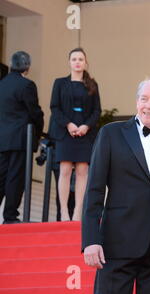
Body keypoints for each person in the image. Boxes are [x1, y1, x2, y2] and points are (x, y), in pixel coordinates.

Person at [82, 78, 150, 294]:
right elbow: (94, 189)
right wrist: (90, 240)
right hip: (116, 245)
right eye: (144, 99)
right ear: (137, 102)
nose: (149, 105)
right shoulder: (111, 133)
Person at [49, 48, 101, 221]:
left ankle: (78, 212)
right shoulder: (59, 83)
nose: (77, 62)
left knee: (82, 171)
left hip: (85, 134)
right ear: (69, 62)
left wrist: (86, 126)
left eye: (80, 59)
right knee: (64, 170)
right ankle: (64, 212)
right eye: (74, 59)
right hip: (65, 133)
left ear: (85, 62)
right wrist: (68, 124)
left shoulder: (92, 84)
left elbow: (96, 110)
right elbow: (54, 108)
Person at [0, 51, 44, 224]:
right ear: (27, 67)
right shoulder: (27, 85)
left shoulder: (1, 84)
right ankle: (10, 216)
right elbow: (35, 112)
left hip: (2, 140)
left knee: (1, 176)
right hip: (19, 139)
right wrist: (39, 132)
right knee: (15, 178)